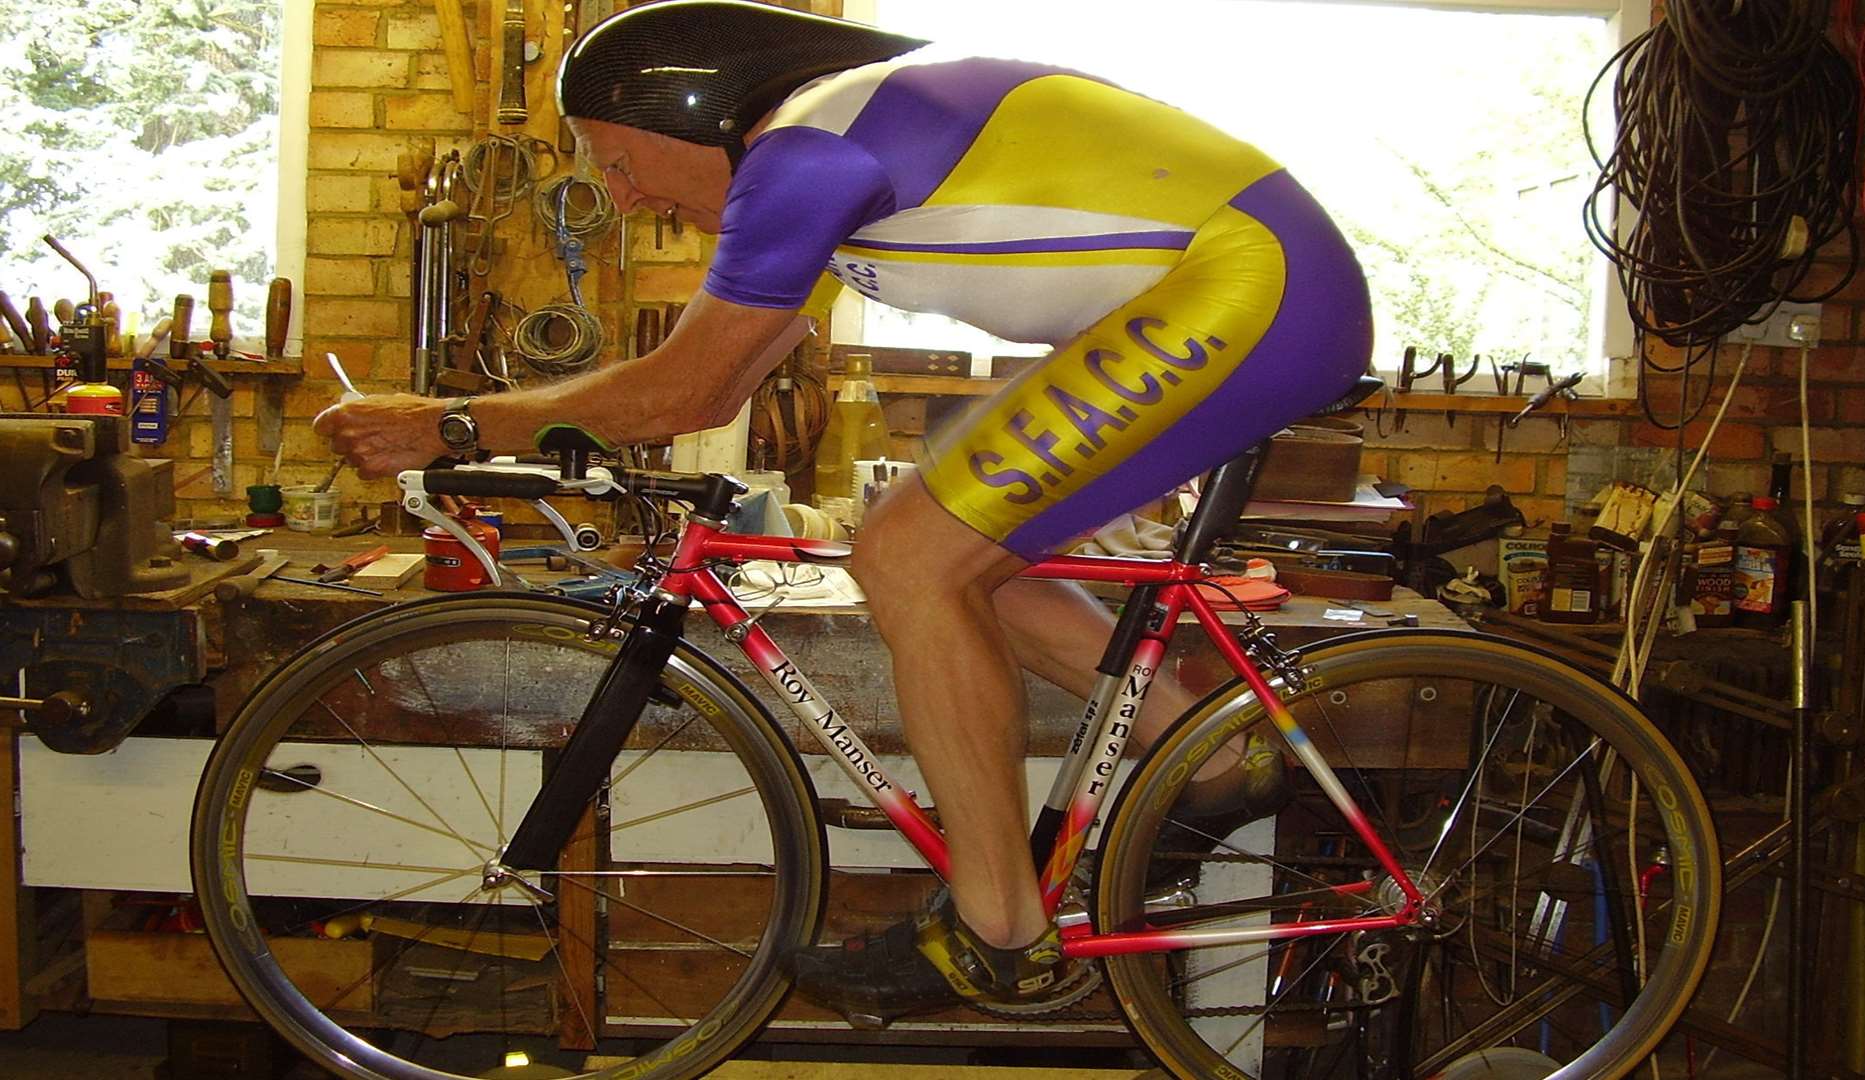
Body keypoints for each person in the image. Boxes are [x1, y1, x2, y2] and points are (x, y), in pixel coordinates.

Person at [315, 0, 1371, 1023]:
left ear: (691, 116)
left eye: (618, 160)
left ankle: (998, 933)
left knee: (912, 555)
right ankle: (1217, 755)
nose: (623, 198)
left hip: (1252, 284)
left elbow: (681, 394)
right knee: (929, 552)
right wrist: (511, 425)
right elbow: (715, 385)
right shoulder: (824, 150)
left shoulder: (803, 155)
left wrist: (452, 426)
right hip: (1245, 283)